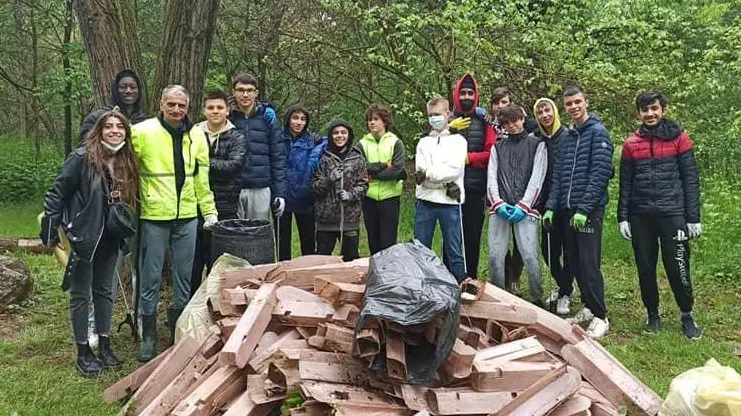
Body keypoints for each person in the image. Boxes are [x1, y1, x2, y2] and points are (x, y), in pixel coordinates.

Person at [41, 109, 139, 377]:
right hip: (85, 235)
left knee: (105, 291)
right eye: (109, 126)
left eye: (120, 126)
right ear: (99, 129)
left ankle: (104, 345)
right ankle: (83, 351)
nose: (115, 130)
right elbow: (56, 193)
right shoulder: (82, 158)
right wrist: (50, 228)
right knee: (81, 293)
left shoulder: (125, 159)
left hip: (111, 236)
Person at [132, 85, 218, 361]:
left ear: (188, 107)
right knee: (151, 277)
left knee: (184, 277)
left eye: (182, 105)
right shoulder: (143, 132)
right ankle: (147, 336)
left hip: (187, 218)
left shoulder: (197, 135)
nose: (177, 110)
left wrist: (209, 211)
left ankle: (177, 332)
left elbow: (202, 179)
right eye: (172, 104)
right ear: (161, 104)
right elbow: (126, 170)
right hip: (154, 216)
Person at [618, 90, 702, 339]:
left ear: (663, 109)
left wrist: (693, 217)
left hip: (672, 214)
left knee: (678, 266)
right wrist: (622, 216)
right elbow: (626, 184)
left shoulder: (680, 139)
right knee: (645, 267)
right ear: (639, 113)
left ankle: (687, 314)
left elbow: (690, 179)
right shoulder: (630, 144)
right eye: (645, 110)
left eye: (654, 108)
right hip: (640, 215)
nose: (650, 114)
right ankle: (652, 314)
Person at [542, 85, 613, 339]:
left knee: (588, 263)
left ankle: (601, 315)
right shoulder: (569, 137)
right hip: (567, 212)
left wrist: (584, 208)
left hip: (588, 212)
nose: (573, 107)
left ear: (586, 102)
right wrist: (551, 207)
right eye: (569, 103)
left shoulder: (598, 133)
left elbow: (600, 174)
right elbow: (560, 177)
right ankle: (587, 307)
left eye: (577, 102)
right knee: (574, 262)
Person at [487, 104, 547, 306]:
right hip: (500, 207)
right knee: (495, 255)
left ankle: (537, 298)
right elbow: (491, 178)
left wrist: (524, 205)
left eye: (515, 121)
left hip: (527, 208)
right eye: (506, 123)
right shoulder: (497, 147)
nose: (511, 126)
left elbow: (538, 178)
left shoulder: (537, 145)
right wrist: (498, 204)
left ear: (522, 119)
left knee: (530, 255)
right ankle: (498, 296)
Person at [190, 91, 246, 296]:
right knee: (195, 259)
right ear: (204, 110)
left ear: (227, 111)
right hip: (194, 204)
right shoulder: (193, 133)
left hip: (226, 204)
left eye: (219, 107)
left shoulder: (236, 136)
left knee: (220, 258)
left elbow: (234, 165)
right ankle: (192, 306)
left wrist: (203, 164)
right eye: (211, 107)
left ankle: (219, 303)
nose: (215, 111)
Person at [413, 97, 468, 281]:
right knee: (420, 249)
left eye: (437, 114)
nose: (434, 118)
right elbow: (420, 173)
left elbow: (454, 171)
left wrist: (430, 175)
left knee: (454, 251)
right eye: (430, 115)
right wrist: (440, 179)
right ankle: (422, 286)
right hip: (425, 201)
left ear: (447, 114)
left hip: (450, 202)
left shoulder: (459, 141)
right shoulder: (423, 143)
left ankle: (459, 285)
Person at [450, 73, 496, 278]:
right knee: (452, 236)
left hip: (476, 188)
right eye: (463, 93)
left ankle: (470, 277)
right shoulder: (447, 121)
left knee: (472, 236)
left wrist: (469, 159)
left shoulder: (484, 121)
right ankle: (449, 275)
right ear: (457, 94)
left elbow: (491, 154)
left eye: (470, 93)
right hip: (450, 189)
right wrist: (447, 128)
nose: (466, 96)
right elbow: (434, 145)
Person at [533, 98, 573, 315]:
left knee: (569, 251)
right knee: (549, 250)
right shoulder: (537, 139)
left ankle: (566, 292)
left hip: (566, 203)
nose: (545, 115)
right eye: (540, 112)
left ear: (555, 111)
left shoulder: (567, 136)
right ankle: (564, 285)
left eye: (547, 110)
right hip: (545, 203)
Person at [229, 73, 285, 222]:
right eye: (240, 90)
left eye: (249, 90)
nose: (245, 94)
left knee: (258, 236)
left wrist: (279, 193)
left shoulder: (268, 119)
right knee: (234, 236)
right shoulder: (226, 117)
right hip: (232, 188)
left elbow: (278, 157)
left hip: (260, 187)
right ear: (233, 92)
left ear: (256, 93)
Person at [311, 119, 369, 262]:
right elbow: (314, 187)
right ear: (331, 135)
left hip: (349, 219)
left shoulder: (357, 158)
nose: (340, 136)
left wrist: (350, 195)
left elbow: (364, 185)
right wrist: (329, 180)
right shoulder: (323, 157)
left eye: (343, 132)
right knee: (322, 260)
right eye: (336, 133)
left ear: (349, 135)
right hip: (326, 219)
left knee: (351, 258)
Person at [277, 105, 327, 260]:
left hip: (305, 196)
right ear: (288, 119)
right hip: (282, 194)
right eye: (295, 118)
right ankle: (283, 274)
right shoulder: (278, 138)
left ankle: (307, 273)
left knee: (308, 241)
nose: (298, 122)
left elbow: (328, 141)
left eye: (303, 119)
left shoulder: (312, 141)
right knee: (282, 241)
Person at [358, 104, 405, 255]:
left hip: (390, 198)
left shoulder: (396, 142)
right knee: (373, 240)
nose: (372, 122)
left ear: (384, 121)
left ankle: (389, 276)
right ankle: (375, 274)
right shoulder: (362, 144)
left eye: (376, 119)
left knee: (388, 241)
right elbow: (359, 168)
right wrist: (385, 165)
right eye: (369, 119)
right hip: (369, 198)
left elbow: (397, 170)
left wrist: (373, 175)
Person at [79, 69, 147, 143]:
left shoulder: (144, 122)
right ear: (115, 90)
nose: (128, 91)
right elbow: (84, 147)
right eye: (123, 87)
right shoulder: (96, 118)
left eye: (133, 87)